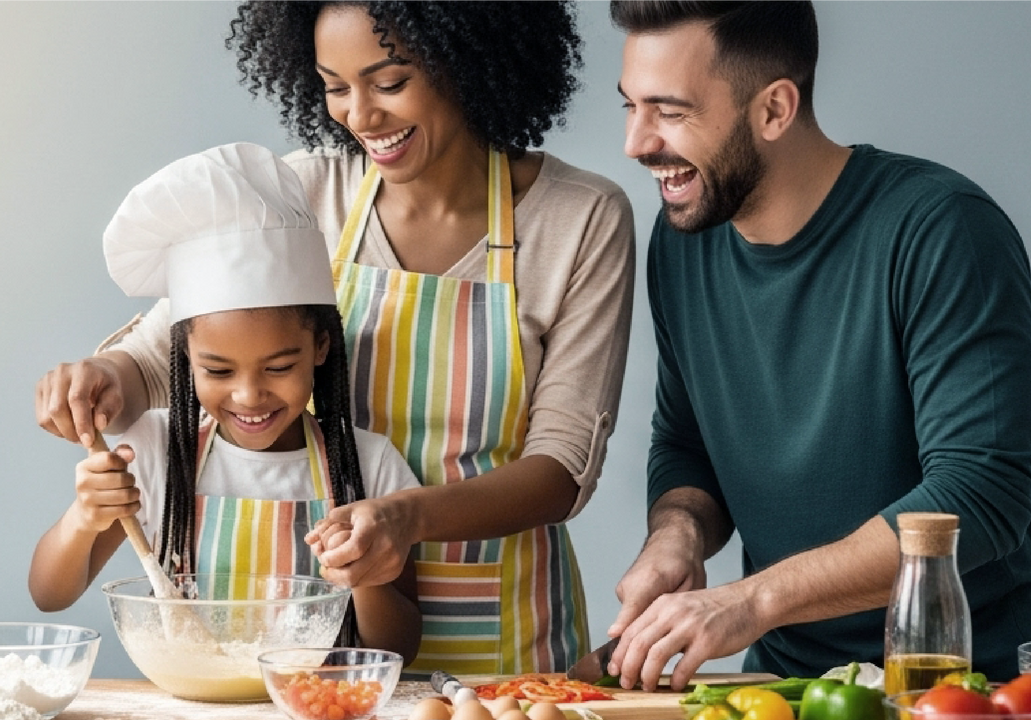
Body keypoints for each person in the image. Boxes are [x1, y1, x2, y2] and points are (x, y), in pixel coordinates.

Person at [35, 0, 636, 674]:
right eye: (335, 87)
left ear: (469, 58)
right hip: (325, 649)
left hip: (503, 635)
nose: (359, 116)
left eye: (389, 82)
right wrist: (103, 375)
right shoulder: (309, 190)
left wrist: (402, 519)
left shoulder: (580, 217)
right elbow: (165, 354)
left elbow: (560, 467)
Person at [604, 0, 1031, 690]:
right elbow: (687, 443)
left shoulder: (940, 228)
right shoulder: (683, 242)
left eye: (670, 111)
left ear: (775, 109)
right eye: (630, 106)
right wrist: (678, 536)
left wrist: (752, 600)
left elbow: (979, 492)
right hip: (784, 689)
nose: (636, 143)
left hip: (960, 687)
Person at [29, 143, 422, 659]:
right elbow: (49, 594)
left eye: (279, 368)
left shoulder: (369, 466)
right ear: (185, 358)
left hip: (320, 707)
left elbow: (401, 646)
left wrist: (362, 573)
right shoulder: (156, 448)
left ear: (320, 348)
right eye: (217, 370)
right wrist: (85, 517)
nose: (248, 395)